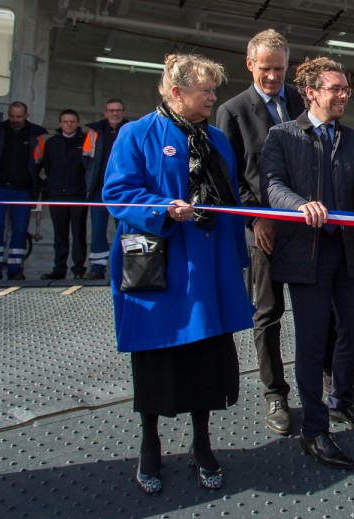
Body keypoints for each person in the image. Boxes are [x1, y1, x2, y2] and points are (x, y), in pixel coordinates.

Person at [104, 53, 252, 494]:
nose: (213, 97)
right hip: (161, 268)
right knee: (156, 358)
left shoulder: (218, 140)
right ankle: (150, 445)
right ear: (176, 93)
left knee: (204, 360)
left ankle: (202, 444)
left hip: (206, 270)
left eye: (214, 90)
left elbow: (231, 198)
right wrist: (163, 208)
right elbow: (117, 193)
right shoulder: (136, 134)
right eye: (205, 90)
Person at [261, 58, 354, 469]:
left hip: (348, 251)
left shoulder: (352, 139)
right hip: (305, 254)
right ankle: (314, 431)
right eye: (335, 89)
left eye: (346, 89)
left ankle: (341, 400)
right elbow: (273, 186)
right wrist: (301, 205)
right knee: (312, 344)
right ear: (311, 92)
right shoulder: (282, 136)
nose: (343, 95)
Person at [216, 30, 306, 436]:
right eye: (265, 68)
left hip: (305, 227)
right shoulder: (232, 112)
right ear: (249, 64)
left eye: (280, 68)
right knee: (268, 314)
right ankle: (275, 393)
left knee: (317, 311)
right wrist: (255, 219)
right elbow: (228, 178)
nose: (273, 76)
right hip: (264, 231)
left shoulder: (301, 101)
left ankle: (328, 384)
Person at [0, 101, 46, 281]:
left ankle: (15, 269)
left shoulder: (36, 135)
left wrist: (37, 190)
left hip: (23, 190)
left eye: (18, 117)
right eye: (12, 116)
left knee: (20, 230)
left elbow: (39, 164)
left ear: (26, 116)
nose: (14, 120)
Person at [35, 109, 98, 280]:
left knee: (78, 234)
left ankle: (78, 270)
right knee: (59, 234)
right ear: (60, 123)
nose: (69, 124)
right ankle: (59, 269)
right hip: (57, 195)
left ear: (77, 123)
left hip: (78, 195)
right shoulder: (51, 143)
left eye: (72, 121)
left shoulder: (85, 141)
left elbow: (89, 166)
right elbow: (47, 167)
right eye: (65, 121)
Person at [85, 99, 129, 279]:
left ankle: (127, 267)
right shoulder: (94, 133)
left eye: (118, 110)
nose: (115, 114)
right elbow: (86, 159)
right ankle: (97, 267)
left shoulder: (131, 130)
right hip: (99, 190)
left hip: (124, 190)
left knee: (124, 229)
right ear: (105, 113)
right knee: (98, 229)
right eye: (111, 110)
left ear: (123, 113)